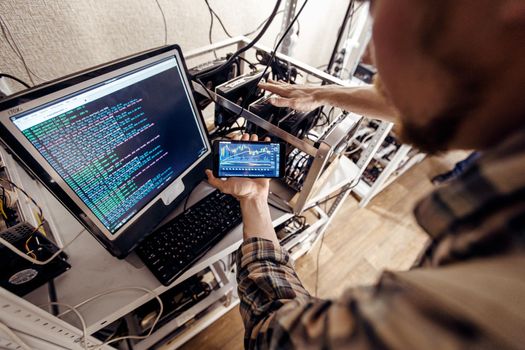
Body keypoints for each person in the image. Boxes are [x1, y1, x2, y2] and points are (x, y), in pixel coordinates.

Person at [205, 0, 525, 348]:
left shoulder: (498, 277)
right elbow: (424, 96)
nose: (368, 57)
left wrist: (254, 204)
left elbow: (281, 339)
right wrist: (316, 93)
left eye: (376, 7)